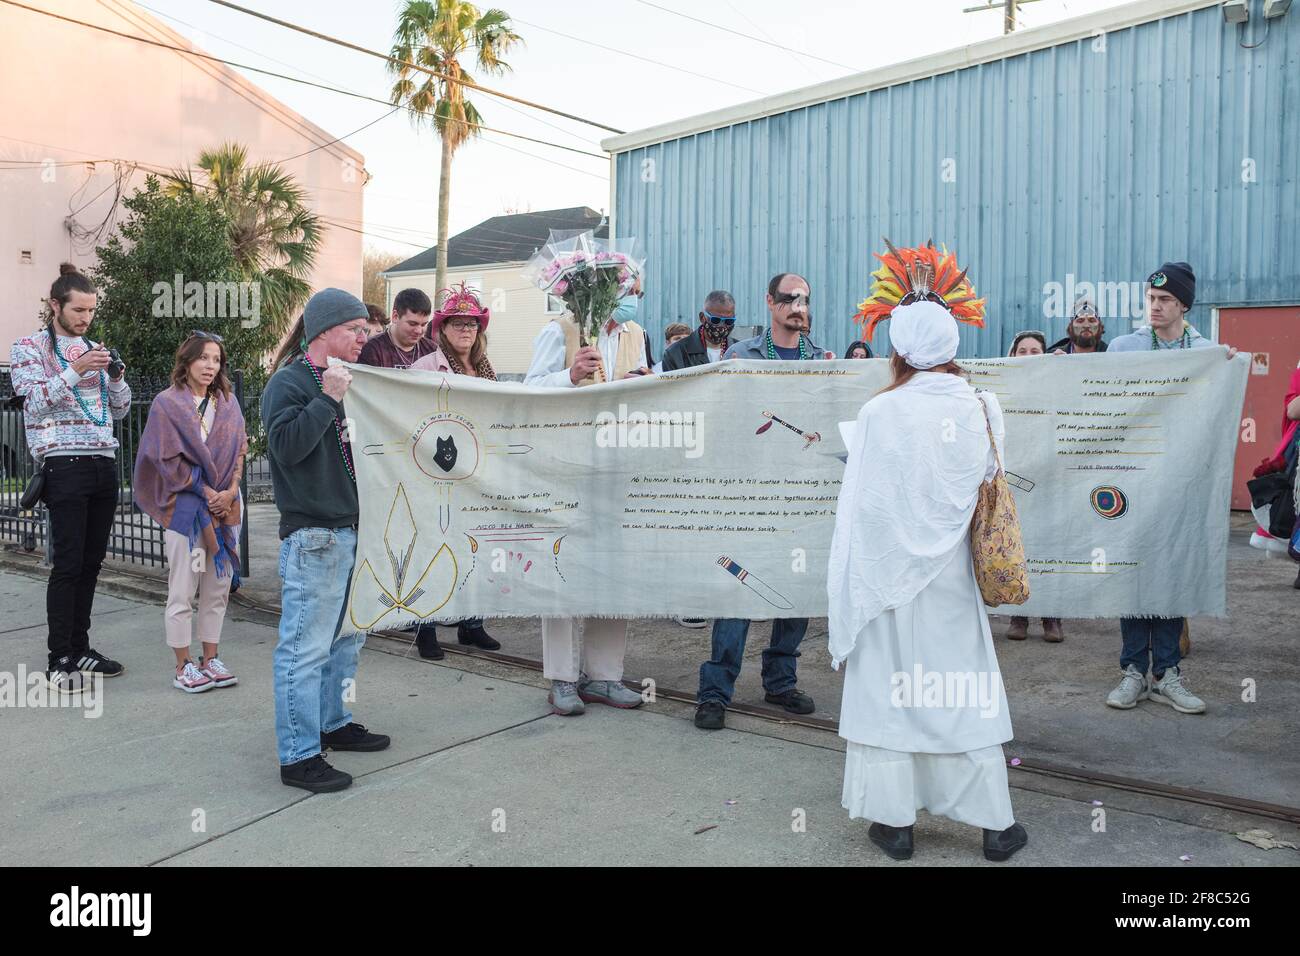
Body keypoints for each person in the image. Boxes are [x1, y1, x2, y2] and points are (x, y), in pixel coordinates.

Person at [828, 245, 1027, 863]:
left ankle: (895, 825)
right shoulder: (983, 405)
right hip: (951, 583)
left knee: (891, 696)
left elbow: (861, 510)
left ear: (898, 345)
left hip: (888, 582)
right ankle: (995, 825)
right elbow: (988, 479)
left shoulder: (879, 411)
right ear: (952, 340)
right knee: (961, 690)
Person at [261, 289, 391, 792]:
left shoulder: (342, 381)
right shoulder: (290, 383)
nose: (365, 337)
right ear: (324, 331)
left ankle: (332, 722)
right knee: (304, 649)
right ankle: (298, 755)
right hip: (315, 534)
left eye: (366, 329)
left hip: (351, 529)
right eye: (356, 329)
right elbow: (288, 448)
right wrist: (328, 397)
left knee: (346, 640)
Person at [694, 274, 827, 731]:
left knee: (794, 592)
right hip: (750, 494)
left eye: (804, 299)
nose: (798, 306)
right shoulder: (740, 356)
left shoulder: (820, 360)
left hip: (801, 496)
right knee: (738, 593)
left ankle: (780, 682)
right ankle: (715, 692)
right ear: (770, 303)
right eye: (789, 298)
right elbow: (722, 419)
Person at [1104, 261, 1237, 714]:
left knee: (1171, 570)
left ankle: (1167, 672)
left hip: (1180, 481)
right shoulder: (1124, 348)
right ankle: (1132, 671)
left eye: (1165, 300)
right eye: (1151, 299)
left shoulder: (1205, 351)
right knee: (1133, 569)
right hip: (1132, 478)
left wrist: (1227, 370)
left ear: (1183, 305)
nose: (1156, 307)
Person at [522, 286, 648, 715]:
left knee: (615, 568)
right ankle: (561, 678)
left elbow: (644, 388)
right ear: (601, 288)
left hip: (618, 468)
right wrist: (569, 377)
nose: (633, 296)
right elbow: (529, 390)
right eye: (627, 289)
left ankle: (605, 677)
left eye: (637, 289)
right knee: (561, 567)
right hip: (566, 465)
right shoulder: (559, 331)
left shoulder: (637, 333)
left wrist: (648, 385)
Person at [9, 264, 130, 694]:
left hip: (102, 462)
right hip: (63, 463)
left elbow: (118, 411)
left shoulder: (95, 348)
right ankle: (59, 658)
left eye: (92, 311)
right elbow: (34, 404)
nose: (85, 319)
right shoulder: (29, 348)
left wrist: (115, 378)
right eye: (78, 310)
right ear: (55, 305)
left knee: (92, 563)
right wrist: (76, 369)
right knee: (68, 564)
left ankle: (81, 648)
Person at [133, 332, 247, 693]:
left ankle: (210, 658)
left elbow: (240, 449)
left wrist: (229, 491)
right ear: (187, 361)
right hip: (185, 505)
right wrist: (205, 490)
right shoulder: (167, 404)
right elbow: (163, 458)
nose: (210, 366)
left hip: (227, 507)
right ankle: (183, 665)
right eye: (203, 358)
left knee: (218, 587)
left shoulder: (228, 402)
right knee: (182, 588)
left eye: (216, 359)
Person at [409, 283, 502, 653]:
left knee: (473, 547)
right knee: (434, 548)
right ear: (442, 329)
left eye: (472, 324)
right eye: (458, 324)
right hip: (437, 472)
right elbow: (411, 420)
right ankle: (424, 628)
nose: (466, 330)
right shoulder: (425, 367)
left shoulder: (484, 367)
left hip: (477, 471)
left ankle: (471, 622)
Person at [1004, 331, 1064, 642]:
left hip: (1049, 478)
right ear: (1012, 356)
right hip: (1013, 479)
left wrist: (1067, 371)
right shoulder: (1001, 389)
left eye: (1035, 351)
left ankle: (1051, 617)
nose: (1029, 356)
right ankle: (1019, 616)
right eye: (1023, 351)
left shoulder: (1055, 385)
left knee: (1047, 544)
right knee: (1017, 545)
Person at [357, 288, 437, 369]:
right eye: (412, 324)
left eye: (423, 325)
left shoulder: (432, 351)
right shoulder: (372, 349)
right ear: (395, 316)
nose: (419, 331)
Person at [661, 291, 737, 372]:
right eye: (716, 320)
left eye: (729, 321)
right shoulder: (675, 354)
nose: (722, 326)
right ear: (702, 318)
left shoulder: (740, 351)